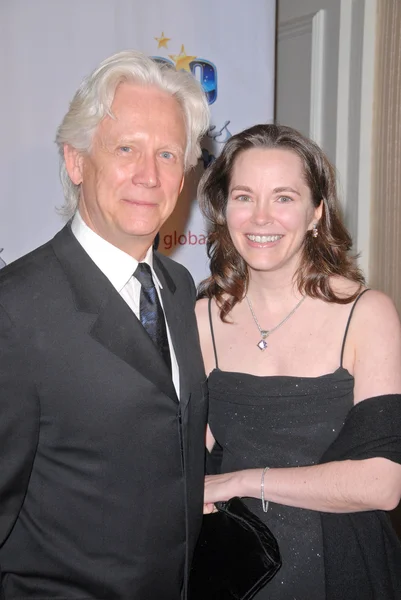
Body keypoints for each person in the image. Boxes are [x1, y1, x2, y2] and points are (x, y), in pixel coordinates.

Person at [0, 50, 209, 599]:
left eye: (168, 154)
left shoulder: (178, 288)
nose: (149, 174)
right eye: (126, 148)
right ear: (75, 161)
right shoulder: (15, 310)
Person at [195, 124, 401, 599]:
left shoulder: (365, 314)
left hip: (342, 569)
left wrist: (241, 481)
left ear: (316, 213)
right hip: (234, 570)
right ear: (225, 211)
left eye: (283, 198)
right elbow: (187, 458)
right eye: (244, 196)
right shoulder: (203, 318)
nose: (261, 217)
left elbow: (382, 482)